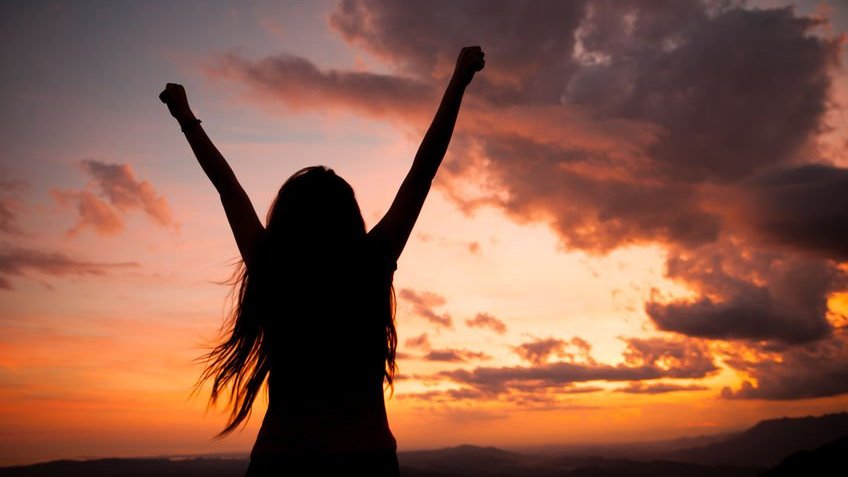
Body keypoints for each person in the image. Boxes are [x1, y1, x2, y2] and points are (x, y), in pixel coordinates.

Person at [160, 45, 485, 476]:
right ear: (348, 217)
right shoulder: (370, 264)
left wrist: (185, 117)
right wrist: (457, 83)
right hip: (364, 458)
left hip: (282, 459)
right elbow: (423, 170)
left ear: (288, 218)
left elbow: (226, 185)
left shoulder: (271, 266)